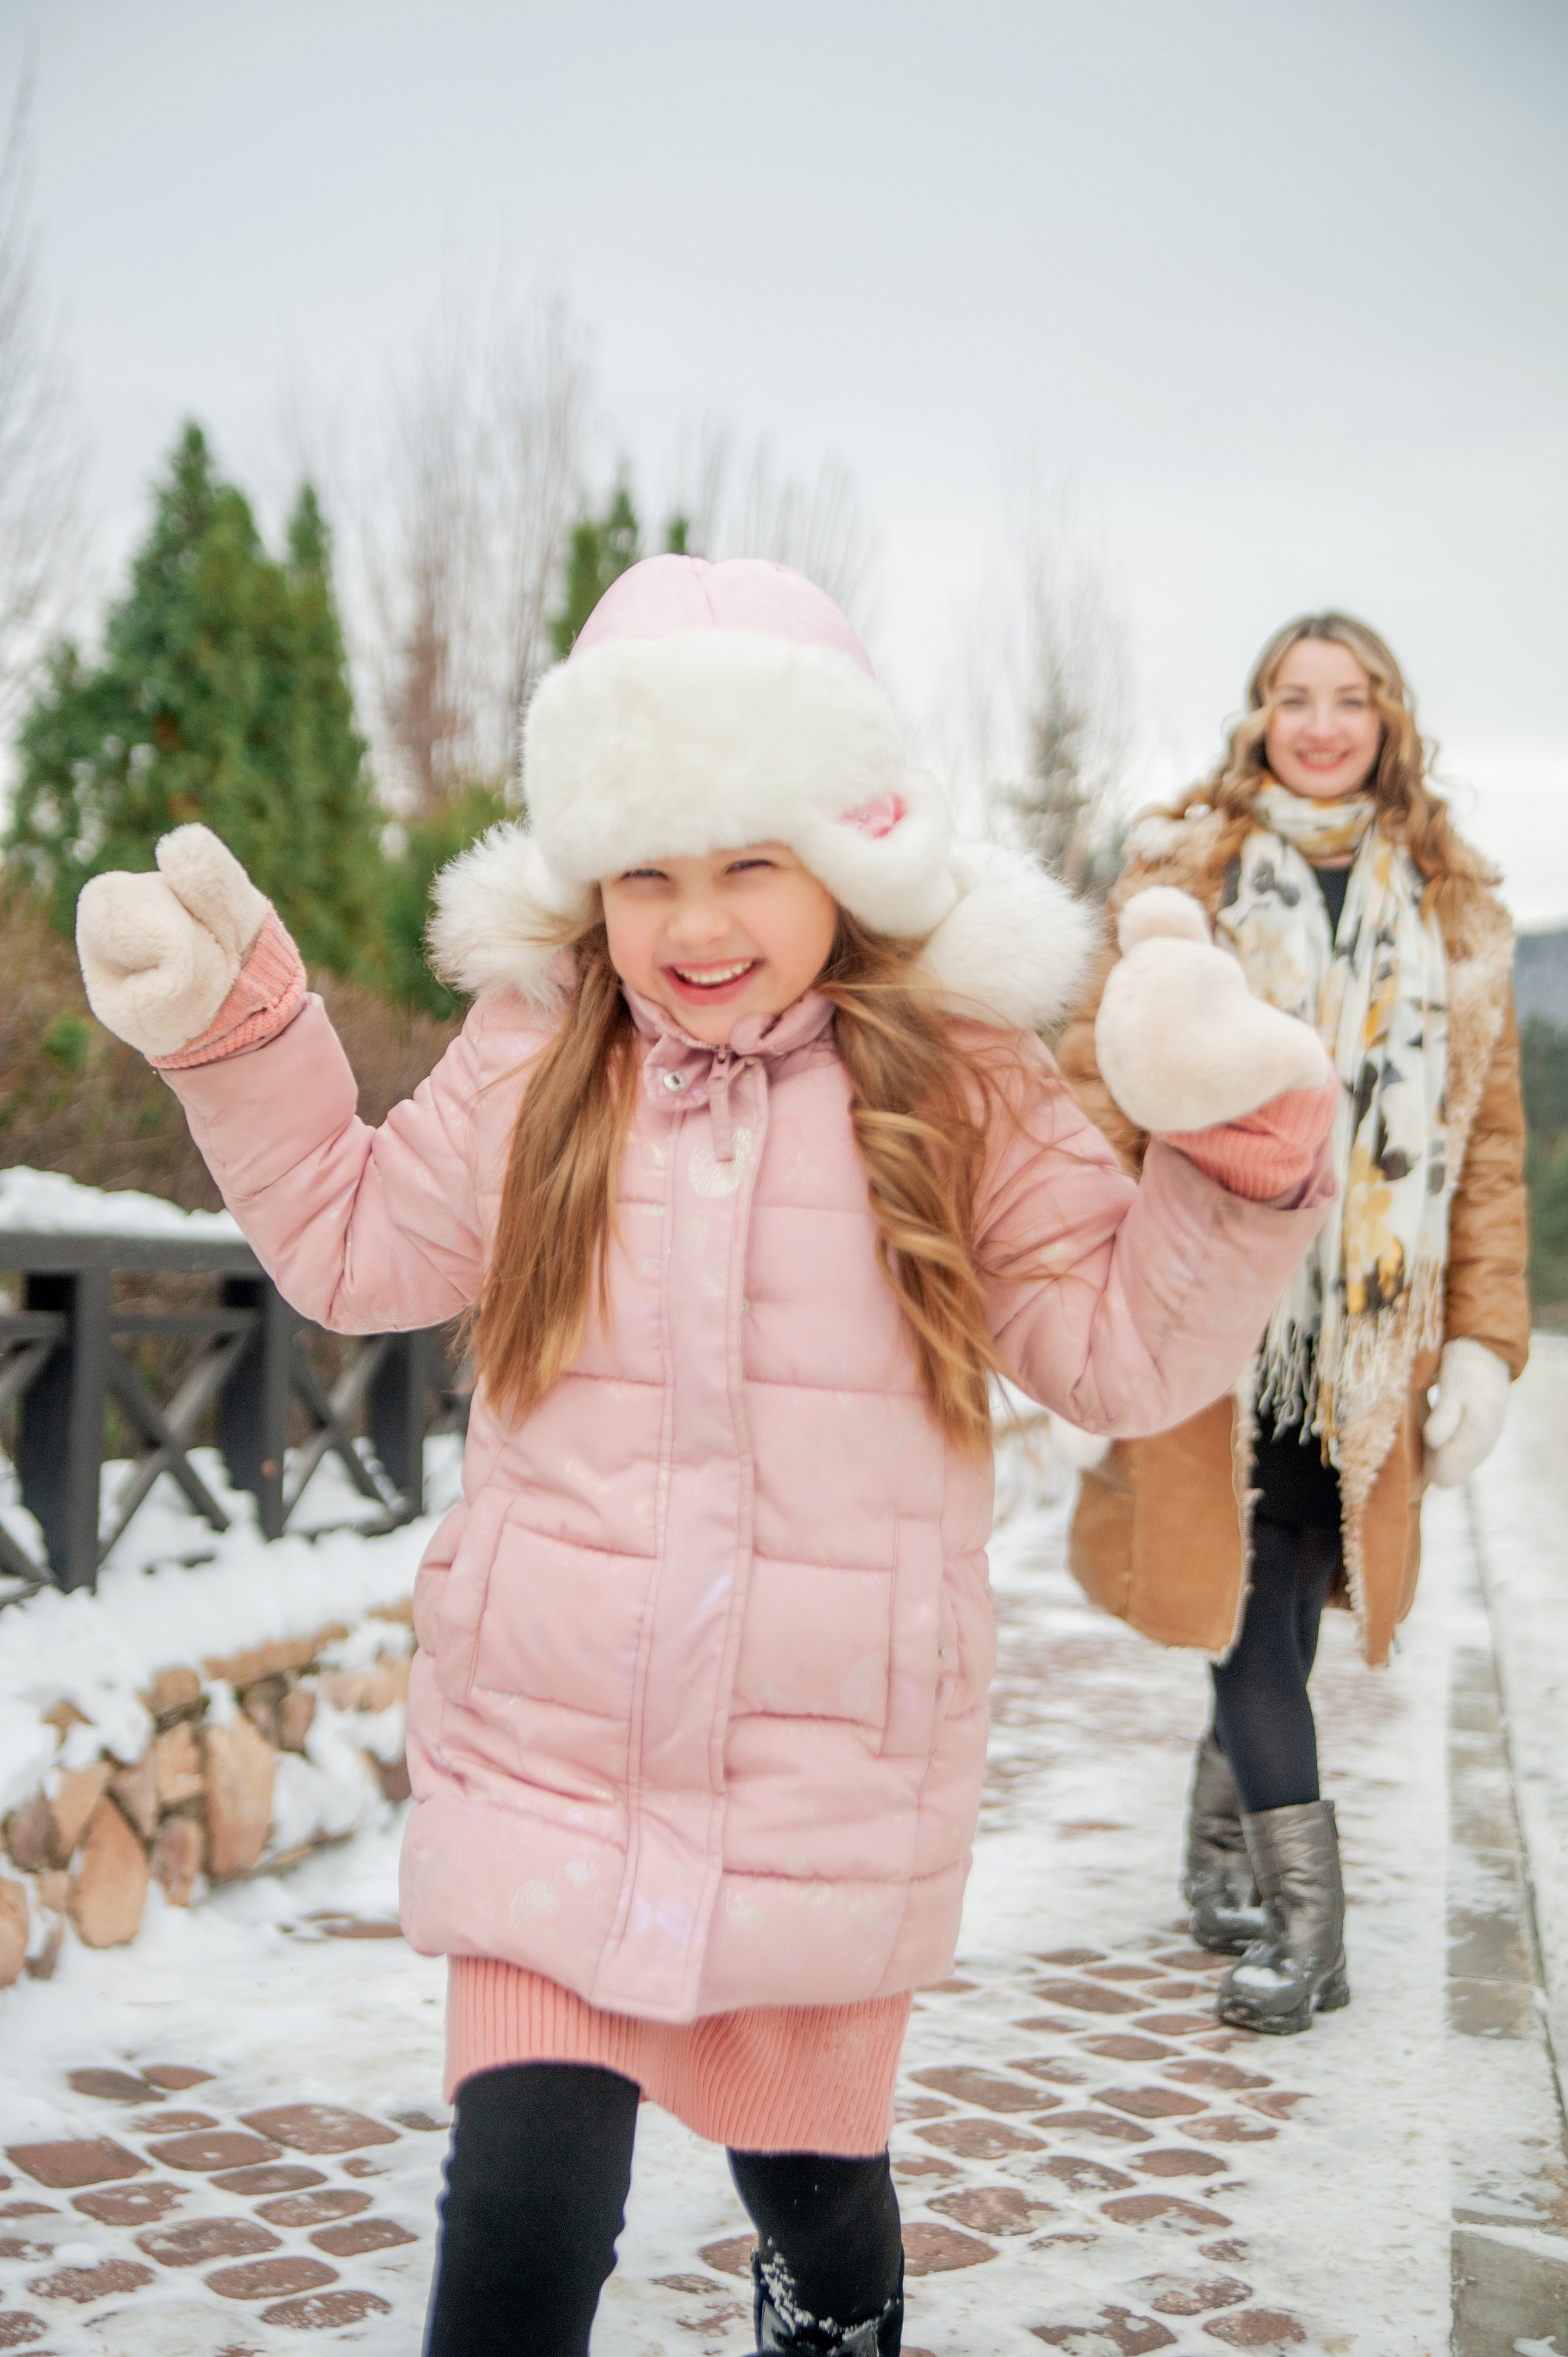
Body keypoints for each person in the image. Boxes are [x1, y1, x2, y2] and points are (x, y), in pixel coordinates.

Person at [75, 557, 1337, 2356]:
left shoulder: (955, 1073)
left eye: (750, 861)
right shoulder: (540, 1052)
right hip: (550, 1754)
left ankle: (833, 2306)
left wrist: (1230, 1159)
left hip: (819, 1780)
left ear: (846, 858)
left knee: (816, 2202)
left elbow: (1118, 1354)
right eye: (645, 871)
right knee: (519, 2223)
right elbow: (356, 1251)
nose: (697, 921)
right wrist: (243, 1037)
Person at [1059, 611, 1529, 2037]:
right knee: (1249, 1596)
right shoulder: (1183, 876)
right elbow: (1094, 1091)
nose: (1318, 725)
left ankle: (1222, 1842)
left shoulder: (1453, 906)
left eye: (1347, 699)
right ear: (1257, 715)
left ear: (1388, 721)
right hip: (1220, 1306)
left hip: (1369, 1331)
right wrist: (1080, 1286)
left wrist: (1482, 1341)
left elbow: (1487, 1151)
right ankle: (1311, 1933)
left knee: (1288, 1598)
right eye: (1292, 697)